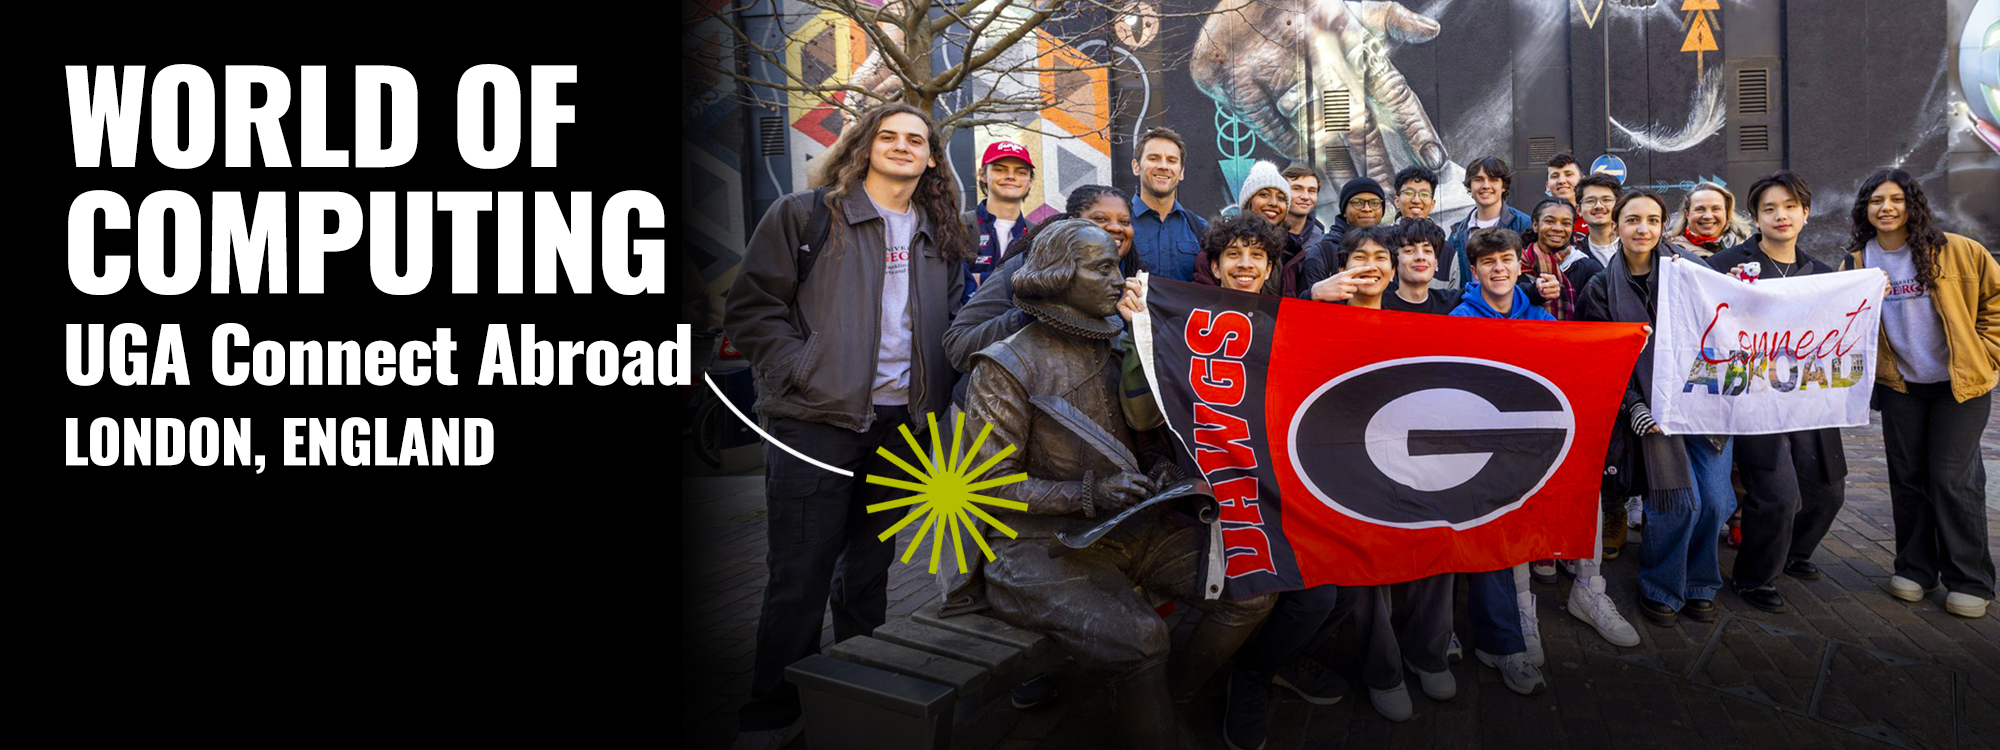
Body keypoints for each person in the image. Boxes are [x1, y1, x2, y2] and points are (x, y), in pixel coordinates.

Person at [963, 219, 1274, 750]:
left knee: (1252, 587)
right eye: (1103, 267)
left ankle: (1166, 702)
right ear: (1059, 276)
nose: (1119, 279)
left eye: (1118, 265)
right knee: (1142, 638)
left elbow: (1145, 431)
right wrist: (1087, 493)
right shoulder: (1006, 364)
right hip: (1038, 546)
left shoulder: (1119, 342)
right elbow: (986, 485)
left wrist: (1155, 467)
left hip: (1129, 525)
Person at [723, 103, 972, 750]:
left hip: (902, 428)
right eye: (887, 136)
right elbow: (752, 308)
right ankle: (772, 709)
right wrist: (802, 369)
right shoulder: (805, 216)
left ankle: (857, 687)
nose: (901, 146)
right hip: (815, 423)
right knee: (798, 575)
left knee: (868, 572)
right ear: (863, 146)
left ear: (931, 158)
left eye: (915, 140)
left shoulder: (940, 234)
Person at [1841, 168, 1998, 619]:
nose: (1886, 208)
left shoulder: (1957, 250)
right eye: (1875, 201)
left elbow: (1996, 300)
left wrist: (1985, 354)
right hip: (1901, 386)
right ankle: (1915, 569)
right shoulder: (1856, 263)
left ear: (1913, 204)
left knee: (1951, 477)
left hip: (1960, 385)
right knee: (1907, 477)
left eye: (1895, 199)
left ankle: (1969, 579)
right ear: (1864, 210)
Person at [1577, 189, 1736, 629]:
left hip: (1704, 402)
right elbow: (1605, 357)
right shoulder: (1599, 286)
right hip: (1651, 409)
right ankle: (1661, 586)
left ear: (1663, 224)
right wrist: (1633, 405)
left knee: (1716, 501)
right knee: (1678, 499)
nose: (1642, 228)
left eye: (1651, 220)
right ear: (1618, 224)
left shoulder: (1693, 270)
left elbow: (1728, 319)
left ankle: (1701, 582)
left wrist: (1741, 290)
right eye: (1632, 220)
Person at [1704, 170, 1847, 614]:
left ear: (1805, 213)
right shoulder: (1724, 268)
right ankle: (1754, 577)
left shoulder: (1823, 275)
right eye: (1769, 208)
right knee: (1779, 493)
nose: (1780, 215)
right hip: (1754, 399)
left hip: (1807, 396)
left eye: (1789, 207)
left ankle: (1793, 552)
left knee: (1828, 489)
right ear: (1755, 217)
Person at [1434, 228, 1553, 697]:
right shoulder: (1458, 320)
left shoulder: (1541, 317)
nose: (1498, 268)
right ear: (1475, 269)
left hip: (1522, 451)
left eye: (1506, 259)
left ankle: (1503, 640)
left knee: (1500, 544)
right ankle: (1459, 636)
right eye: (1488, 262)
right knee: (1471, 539)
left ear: (1520, 265)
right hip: (1470, 452)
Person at [945, 185, 1135, 376]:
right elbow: (958, 347)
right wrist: (1027, 315)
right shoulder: (1023, 268)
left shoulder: (1133, 278)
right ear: (1072, 223)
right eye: (1100, 219)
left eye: (1125, 221)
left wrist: (1138, 326)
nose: (1115, 227)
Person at [1194, 161, 1316, 296]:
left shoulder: (1293, 253)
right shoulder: (1216, 249)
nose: (1273, 203)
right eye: (1264, 195)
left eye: (1281, 198)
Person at [1443, 156, 1533, 291]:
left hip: (1512, 307)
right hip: (1470, 308)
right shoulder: (1457, 232)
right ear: (1469, 186)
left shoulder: (1524, 224)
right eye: (1478, 180)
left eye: (1493, 180)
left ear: (1503, 186)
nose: (1486, 186)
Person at [1130, 127, 1209, 281]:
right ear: (1136, 166)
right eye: (1154, 158)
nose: (1163, 166)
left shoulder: (1200, 228)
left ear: (1181, 172)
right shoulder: (1120, 228)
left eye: (1171, 160)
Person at [962, 140, 1037, 300]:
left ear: (1030, 181)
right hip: (968, 323)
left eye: (1021, 172)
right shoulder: (958, 226)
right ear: (982, 175)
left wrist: (980, 279)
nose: (1010, 176)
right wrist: (1018, 280)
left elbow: (1042, 285)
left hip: (1020, 324)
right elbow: (953, 284)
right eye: (1000, 170)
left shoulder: (1039, 235)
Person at [1383, 219, 1460, 314]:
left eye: (1427, 251)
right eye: (1409, 251)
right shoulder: (1380, 306)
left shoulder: (1453, 304)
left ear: (1435, 262)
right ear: (1394, 261)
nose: (1420, 257)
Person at [1666, 181, 1752, 259]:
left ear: (1726, 212)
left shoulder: (1748, 246)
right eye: (1699, 209)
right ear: (1687, 214)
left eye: (1716, 209)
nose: (1708, 216)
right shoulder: (1668, 249)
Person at [1576, 172, 1623, 269]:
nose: (1598, 206)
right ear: (1579, 210)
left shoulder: (1635, 248)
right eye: (1590, 201)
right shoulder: (1575, 256)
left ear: (1618, 205)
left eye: (1606, 200)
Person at [1281, 163, 1327, 253]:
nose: (1305, 197)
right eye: (1297, 189)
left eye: (1311, 191)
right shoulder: (1264, 235)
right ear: (1282, 192)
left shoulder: (1323, 243)